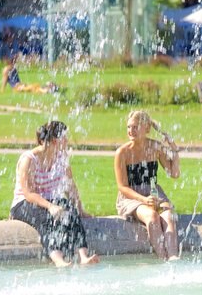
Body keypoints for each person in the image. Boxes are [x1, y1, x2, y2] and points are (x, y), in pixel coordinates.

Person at [10, 120, 100, 267]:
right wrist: (50, 206)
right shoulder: (29, 159)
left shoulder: (61, 158)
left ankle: (83, 256)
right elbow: (28, 194)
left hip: (50, 201)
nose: (67, 140)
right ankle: (58, 260)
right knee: (47, 219)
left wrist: (80, 209)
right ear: (53, 141)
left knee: (70, 211)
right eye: (64, 137)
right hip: (24, 203)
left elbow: (70, 186)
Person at [115, 110, 181, 260]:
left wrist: (174, 148)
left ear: (146, 128)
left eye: (135, 127)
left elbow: (174, 174)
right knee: (152, 216)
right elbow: (122, 187)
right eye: (129, 127)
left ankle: (173, 258)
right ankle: (163, 258)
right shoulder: (122, 153)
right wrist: (144, 200)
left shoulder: (155, 147)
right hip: (131, 197)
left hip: (153, 192)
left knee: (169, 216)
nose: (131, 131)